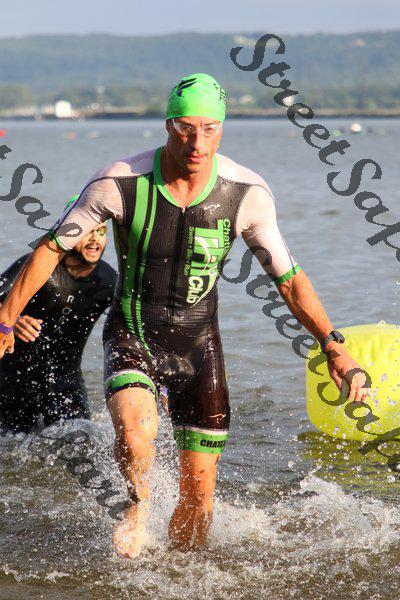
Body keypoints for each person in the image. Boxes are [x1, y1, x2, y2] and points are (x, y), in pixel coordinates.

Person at [0, 73, 370, 556]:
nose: (197, 143)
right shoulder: (119, 183)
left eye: (209, 130)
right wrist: (7, 316)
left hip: (200, 349)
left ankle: (182, 570)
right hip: (133, 333)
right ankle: (136, 504)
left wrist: (333, 346)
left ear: (222, 129)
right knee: (136, 436)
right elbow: (52, 247)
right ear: (168, 125)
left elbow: (290, 279)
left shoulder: (246, 194)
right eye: (185, 128)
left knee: (199, 501)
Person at [0, 214, 117, 432]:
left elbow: (133, 322)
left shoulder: (108, 281)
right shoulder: (38, 267)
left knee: (81, 441)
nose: (95, 239)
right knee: (10, 447)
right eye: (88, 231)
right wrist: (10, 320)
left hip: (66, 386)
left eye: (101, 231)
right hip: (12, 383)